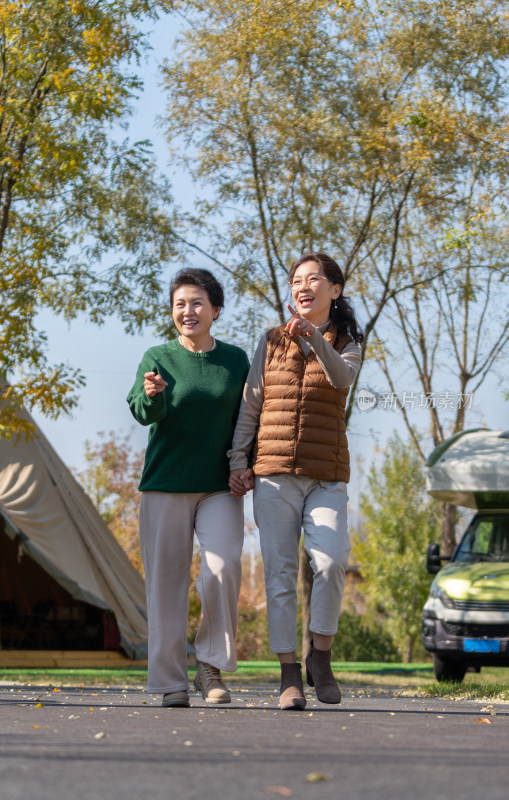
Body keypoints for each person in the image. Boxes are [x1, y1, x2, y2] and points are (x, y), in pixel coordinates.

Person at [229, 252, 363, 710]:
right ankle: (289, 673)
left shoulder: (347, 341)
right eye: (296, 280)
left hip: (326, 475)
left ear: (335, 290)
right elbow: (251, 405)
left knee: (330, 562)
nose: (302, 286)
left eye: (313, 279)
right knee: (280, 574)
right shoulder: (270, 342)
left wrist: (315, 339)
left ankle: (319, 657)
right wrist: (236, 460)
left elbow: (342, 378)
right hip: (274, 475)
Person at [127, 268, 249, 708]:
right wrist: (154, 393)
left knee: (222, 568)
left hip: (219, 485)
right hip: (166, 484)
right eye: (180, 303)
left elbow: (247, 421)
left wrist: (246, 465)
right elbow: (142, 412)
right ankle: (168, 683)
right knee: (166, 584)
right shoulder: (157, 357)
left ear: (215, 309)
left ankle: (210, 668)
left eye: (197, 302)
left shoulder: (235, 361)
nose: (187, 311)